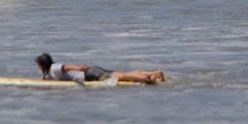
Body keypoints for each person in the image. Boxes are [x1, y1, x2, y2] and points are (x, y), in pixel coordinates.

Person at [35, 53, 164, 85]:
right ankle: (155, 73)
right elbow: (47, 79)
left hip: (89, 75)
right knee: (123, 74)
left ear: (43, 64)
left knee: (121, 77)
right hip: (92, 70)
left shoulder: (54, 67)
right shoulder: (50, 71)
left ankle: (147, 79)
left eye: (38, 65)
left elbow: (66, 67)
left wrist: (79, 67)